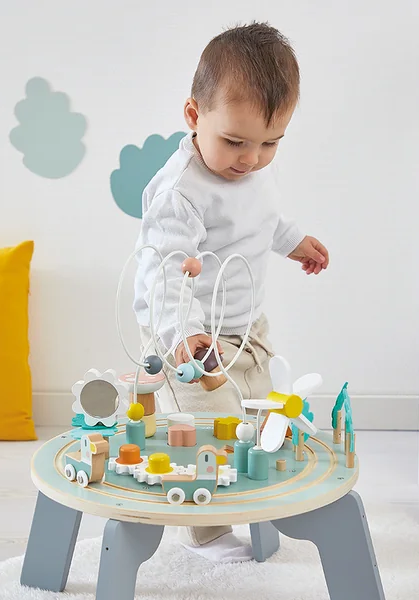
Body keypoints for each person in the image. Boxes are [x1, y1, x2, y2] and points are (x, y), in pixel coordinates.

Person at [133, 21, 329, 563]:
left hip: (246, 331)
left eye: (271, 143)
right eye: (235, 142)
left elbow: (263, 219)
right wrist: (184, 333)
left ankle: (256, 504)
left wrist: (293, 242)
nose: (251, 158)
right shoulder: (179, 192)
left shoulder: (254, 172)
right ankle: (206, 531)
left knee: (258, 421)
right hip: (190, 341)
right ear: (194, 115)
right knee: (206, 432)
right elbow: (165, 271)